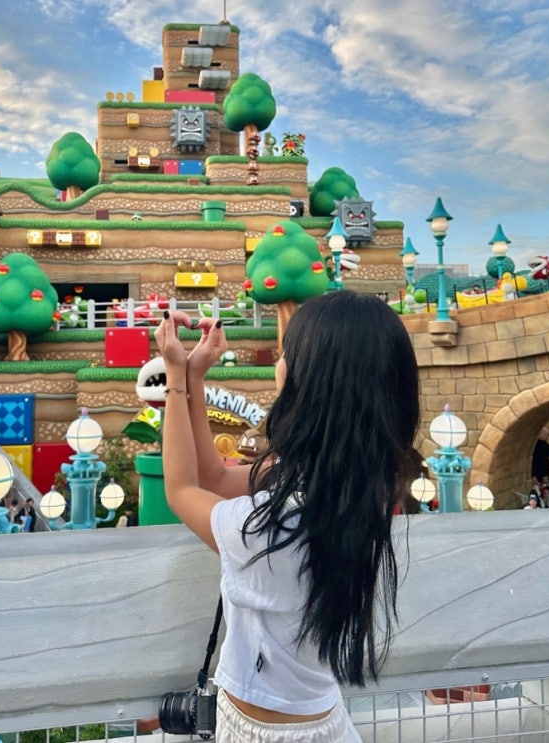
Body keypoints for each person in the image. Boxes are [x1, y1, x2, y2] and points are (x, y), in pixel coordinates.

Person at [154, 291, 420, 743]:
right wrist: (195, 376)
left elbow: (183, 490)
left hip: (263, 732)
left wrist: (176, 373)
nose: (279, 366)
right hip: (321, 718)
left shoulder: (271, 529)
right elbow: (215, 479)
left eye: (285, 355)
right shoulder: (356, 483)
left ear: (311, 380)